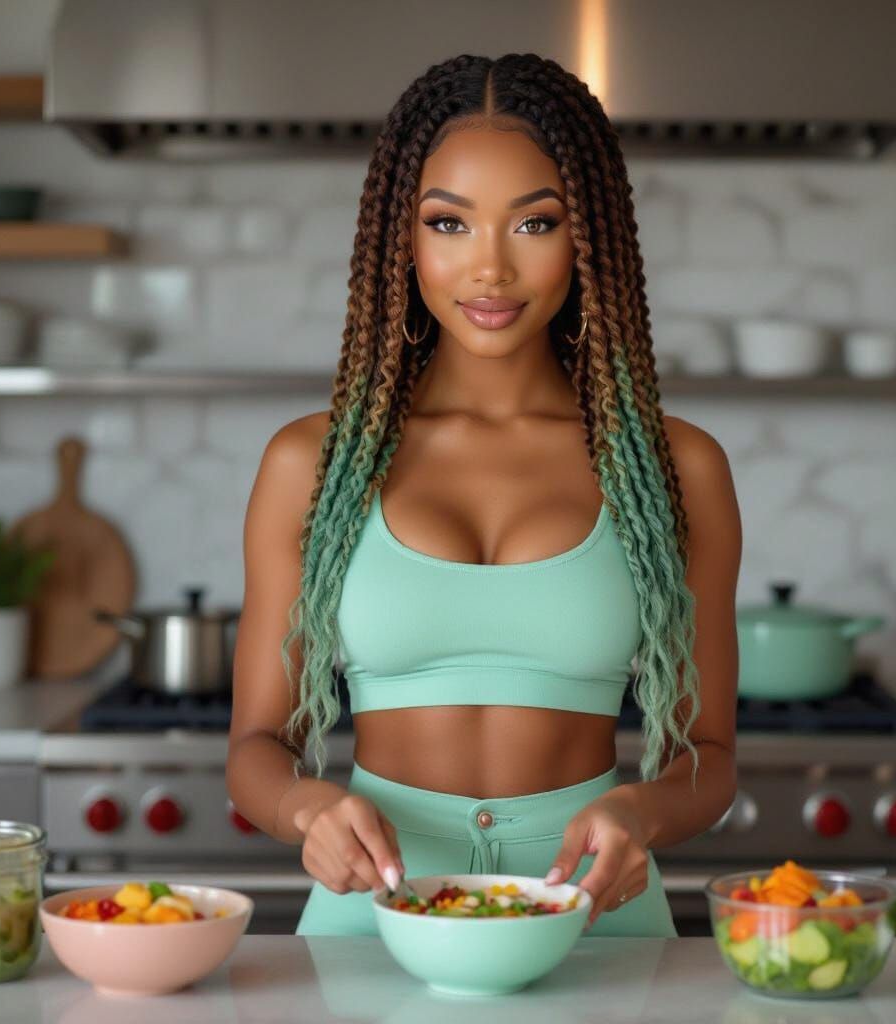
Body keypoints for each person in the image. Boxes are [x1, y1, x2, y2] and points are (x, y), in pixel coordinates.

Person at [226, 52, 741, 937]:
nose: (491, 270)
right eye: (450, 224)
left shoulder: (676, 469)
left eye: (536, 224)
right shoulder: (311, 464)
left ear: (589, 239)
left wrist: (641, 815)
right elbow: (253, 748)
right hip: (373, 917)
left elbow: (712, 757)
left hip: (593, 912)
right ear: (404, 238)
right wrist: (306, 812)